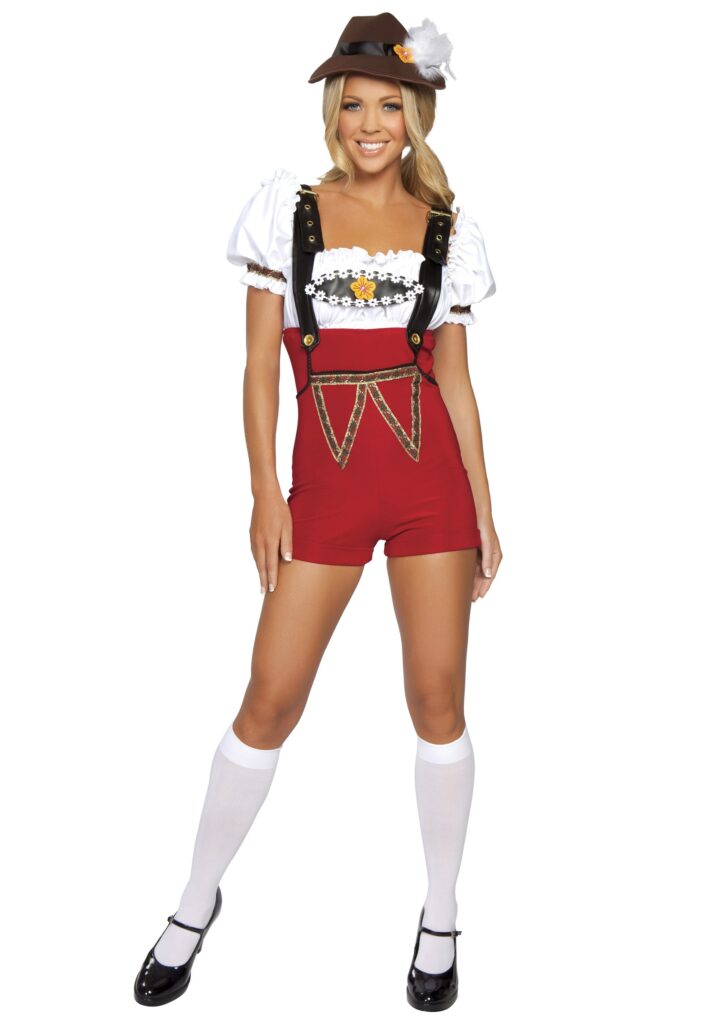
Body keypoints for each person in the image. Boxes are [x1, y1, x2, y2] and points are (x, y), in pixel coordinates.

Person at [134, 12, 502, 1013]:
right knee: (270, 698)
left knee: (436, 700)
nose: (369, 124)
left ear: (415, 115)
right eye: (353, 105)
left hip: (430, 489)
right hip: (324, 491)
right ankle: (195, 900)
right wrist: (264, 491)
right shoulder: (285, 212)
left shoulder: (447, 228)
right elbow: (258, 365)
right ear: (332, 113)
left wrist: (486, 507)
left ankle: (440, 914)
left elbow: (456, 382)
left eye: (389, 106)